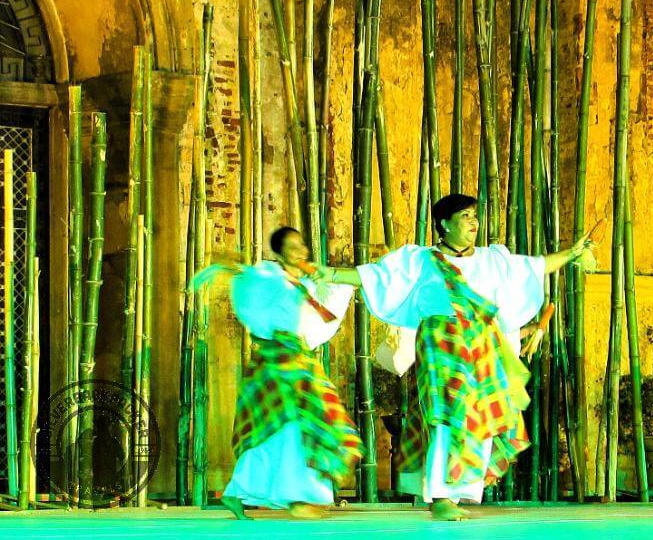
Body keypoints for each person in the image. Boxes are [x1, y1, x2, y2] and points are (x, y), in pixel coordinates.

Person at [317, 193, 590, 520]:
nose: (474, 222)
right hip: (440, 344)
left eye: (475, 216)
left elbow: (536, 266)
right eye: (465, 216)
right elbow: (375, 276)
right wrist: (330, 275)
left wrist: (573, 253)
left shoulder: (492, 260)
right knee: (448, 414)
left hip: (479, 346)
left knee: (479, 420)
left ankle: (458, 491)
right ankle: (441, 495)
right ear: (444, 224)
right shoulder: (420, 260)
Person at [195, 227, 361, 520]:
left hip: (298, 360)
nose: (300, 252)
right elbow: (249, 278)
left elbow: (331, 300)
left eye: (302, 246)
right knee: (298, 425)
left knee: (283, 429)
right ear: (280, 252)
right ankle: (300, 498)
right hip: (280, 362)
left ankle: (239, 491)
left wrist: (353, 278)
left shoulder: (305, 282)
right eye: (292, 247)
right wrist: (231, 266)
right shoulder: (270, 276)